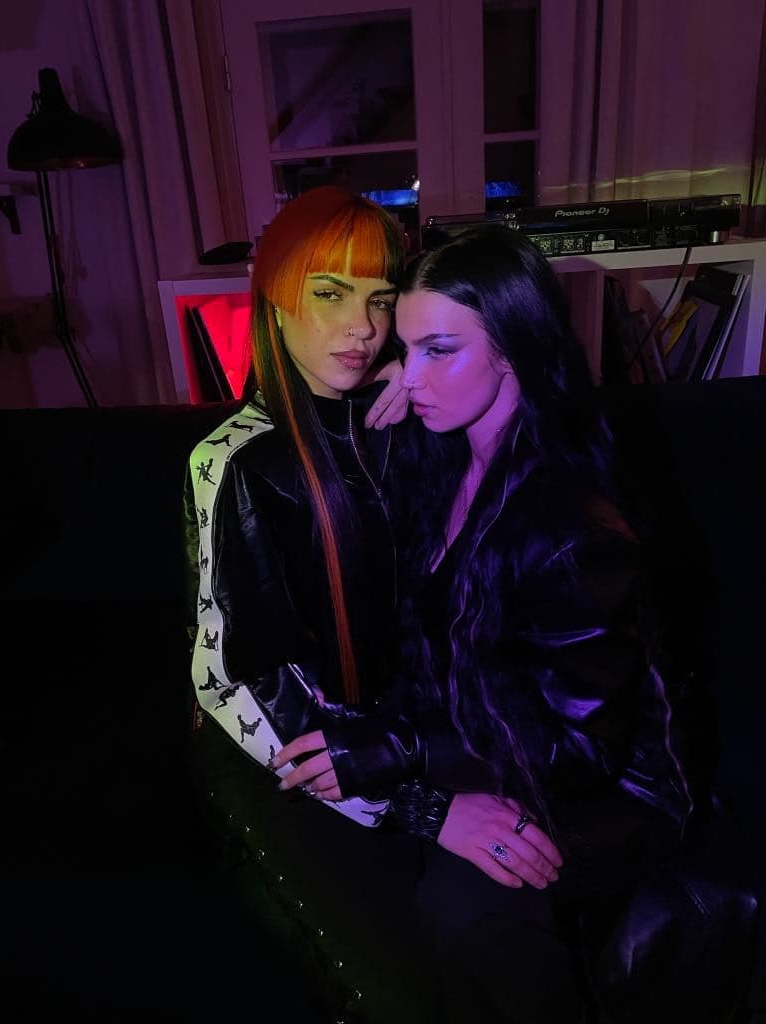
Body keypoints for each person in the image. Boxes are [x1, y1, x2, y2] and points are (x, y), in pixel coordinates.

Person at [273, 224, 695, 1023]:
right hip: (484, 736)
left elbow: (583, 747)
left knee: (462, 908)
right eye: (404, 349)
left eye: (440, 350)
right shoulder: (442, 455)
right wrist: (373, 399)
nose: (410, 377)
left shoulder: (571, 525)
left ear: (515, 348)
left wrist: (404, 753)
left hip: (605, 786)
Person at [183, 189, 535, 1023]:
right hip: (286, 753)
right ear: (274, 298)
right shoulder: (231, 461)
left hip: (401, 729)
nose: (361, 327)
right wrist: (420, 807)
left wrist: (419, 378)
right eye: (329, 293)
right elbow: (232, 679)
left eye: (380, 299)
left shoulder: (403, 417)